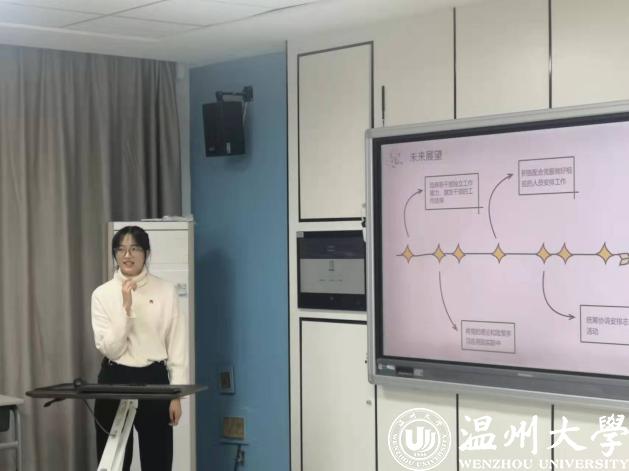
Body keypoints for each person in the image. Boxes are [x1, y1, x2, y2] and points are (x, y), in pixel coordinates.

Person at [91, 225, 188, 470]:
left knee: (158, 460)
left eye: (134, 248)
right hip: (114, 377)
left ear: (146, 253)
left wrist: (176, 395)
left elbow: (177, 344)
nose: (127, 255)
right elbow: (111, 349)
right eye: (121, 249)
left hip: (154, 378)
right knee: (113, 462)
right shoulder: (102, 294)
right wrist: (126, 308)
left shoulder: (166, 290)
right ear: (114, 254)